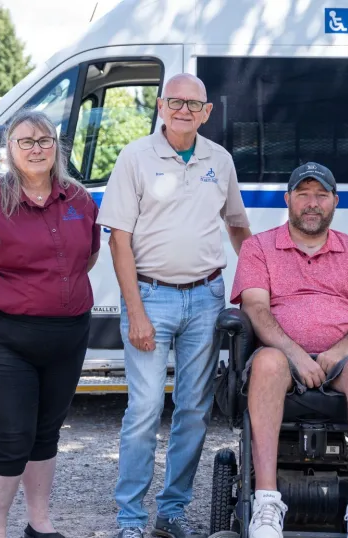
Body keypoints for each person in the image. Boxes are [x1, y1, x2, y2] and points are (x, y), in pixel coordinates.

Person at [99, 73, 252, 538]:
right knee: (144, 410)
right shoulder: (135, 157)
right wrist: (136, 312)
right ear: (161, 106)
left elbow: (238, 229)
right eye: (176, 102)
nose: (184, 110)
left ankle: (172, 513)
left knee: (192, 411)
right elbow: (118, 240)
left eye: (194, 104)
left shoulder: (220, 160)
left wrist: (270, 284)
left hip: (207, 297)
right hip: (151, 296)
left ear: (207, 112)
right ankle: (130, 520)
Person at [0, 109, 101, 538]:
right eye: (25, 142)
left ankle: (39, 523)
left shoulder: (79, 198)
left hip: (68, 335)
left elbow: (87, 256)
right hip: (5, 337)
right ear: (9, 151)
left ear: (57, 147)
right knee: (11, 437)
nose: (36, 149)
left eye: (44, 140)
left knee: (46, 433)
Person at [230, 162, 348, 538]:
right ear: (288, 200)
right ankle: (267, 503)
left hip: (343, 360)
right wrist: (296, 354)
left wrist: (338, 350)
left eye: (321, 195)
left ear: (335, 201)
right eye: (303, 194)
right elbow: (255, 308)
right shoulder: (258, 247)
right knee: (266, 362)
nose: (312, 204)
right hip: (282, 356)